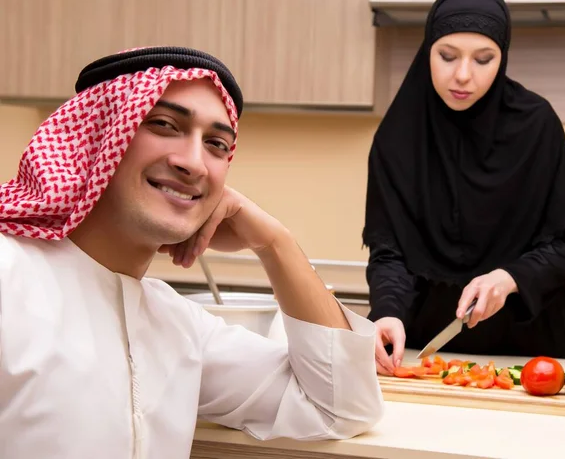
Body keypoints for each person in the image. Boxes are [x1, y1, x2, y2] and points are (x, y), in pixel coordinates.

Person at [0, 47, 384, 458]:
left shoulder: (177, 326)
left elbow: (340, 407)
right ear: (99, 135)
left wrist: (274, 244)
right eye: (164, 124)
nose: (194, 163)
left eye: (217, 144)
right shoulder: (10, 278)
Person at [362, 0, 565, 375]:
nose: (463, 75)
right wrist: (387, 312)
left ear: (503, 58)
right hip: (423, 349)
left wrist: (508, 278)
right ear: (427, 50)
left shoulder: (537, 126)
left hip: (529, 353)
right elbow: (390, 253)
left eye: (483, 59)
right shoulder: (398, 136)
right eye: (447, 56)